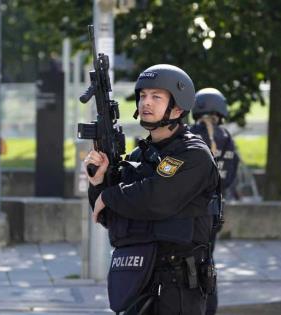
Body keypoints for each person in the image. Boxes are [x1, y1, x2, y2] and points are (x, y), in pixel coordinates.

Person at [84, 64, 221, 315]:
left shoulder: (193, 154)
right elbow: (108, 216)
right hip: (138, 279)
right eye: (143, 95)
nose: (146, 103)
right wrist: (98, 183)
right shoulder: (140, 156)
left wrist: (109, 195)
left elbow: (157, 199)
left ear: (178, 107)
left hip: (177, 287)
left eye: (156, 96)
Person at [190, 87, 239, 315]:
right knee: (207, 261)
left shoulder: (189, 134)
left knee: (185, 263)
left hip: (190, 212)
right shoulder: (226, 138)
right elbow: (230, 176)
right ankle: (209, 309)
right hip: (215, 213)